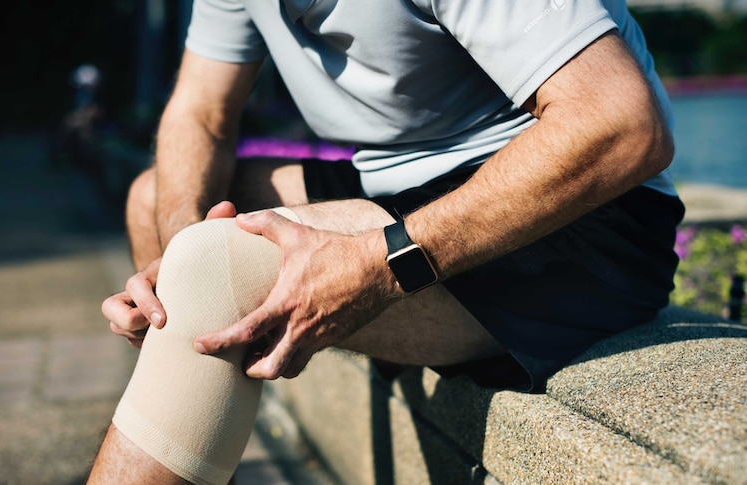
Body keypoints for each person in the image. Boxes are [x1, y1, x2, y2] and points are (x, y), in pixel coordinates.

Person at [89, 1, 684, 483]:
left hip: (581, 210)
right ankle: (189, 447)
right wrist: (173, 272)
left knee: (220, 266)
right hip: (401, 178)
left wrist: (382, 263)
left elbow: (622, 123)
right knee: (158, 201)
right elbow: (199, 114)